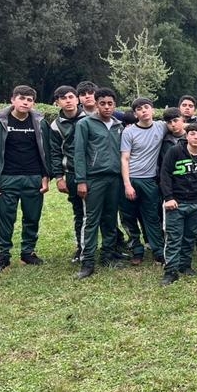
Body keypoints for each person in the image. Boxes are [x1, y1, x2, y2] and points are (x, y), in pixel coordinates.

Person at [0, 85, 50, 273]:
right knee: (5, 219)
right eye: (22, 98)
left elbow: (46, 150)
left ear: (33, 103)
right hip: (7, 177)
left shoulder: (40, 122)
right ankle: (2, 256)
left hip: (33, 177)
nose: (25, 102)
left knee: (32, 217)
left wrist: (46, 176)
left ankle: (28, 253)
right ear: (12, 100)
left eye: (29, 100)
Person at [73, 88, 126, 278]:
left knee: (110, 218)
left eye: (110, 103)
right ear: (96, 104)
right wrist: (81, 180)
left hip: (114, 178)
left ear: (115, 105)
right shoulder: (85, 124)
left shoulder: (119, 125)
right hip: (94, 178)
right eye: (102, 103)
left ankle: (108, 255)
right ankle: (87, 261)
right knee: (91, 219)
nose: (106, 107)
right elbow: (79, 153)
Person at [159, 123, 197, 285]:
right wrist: (168, 197)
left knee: (190, 237)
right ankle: (170, 271)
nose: (196, 137)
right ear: (187, 135)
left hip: (196, 203)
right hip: (176, 203)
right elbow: (165, 175)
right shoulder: (175, 151)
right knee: (174, 238)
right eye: (192, 134)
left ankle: (185, 265)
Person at [120, 97, 166, 265]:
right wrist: (127, 184)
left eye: (146, 107)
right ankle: (137, 250)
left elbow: (181, 125)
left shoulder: (161, 127)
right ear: (135, 114)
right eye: (139, 109)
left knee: (152, 217)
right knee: (129, 217)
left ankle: (158, 251)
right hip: (131, 178)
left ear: (153, 110)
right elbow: (125, 158)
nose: (144, 111)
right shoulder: (129, 132)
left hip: (149, 181)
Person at [48, 85, 87, 262]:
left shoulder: (91, 118)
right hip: (71, 173)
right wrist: (58, 177)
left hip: (94, 173)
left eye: (71, 97)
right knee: (79, 212)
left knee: (104, 212)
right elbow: (55, 153)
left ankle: (112, 247)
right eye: (63, 98)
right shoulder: (55, 126)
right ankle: (81, 248)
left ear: (77, 99)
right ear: (57, 102)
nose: (68, 101)